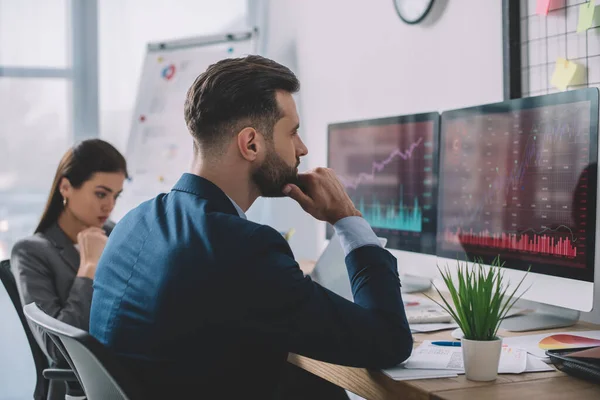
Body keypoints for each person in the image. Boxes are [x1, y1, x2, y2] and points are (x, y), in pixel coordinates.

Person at [90, 55, 412, 399]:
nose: (302, 149)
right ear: (251, 144)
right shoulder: (242, 248)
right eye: (293, 132)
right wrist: (347, 218)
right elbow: (388, 341)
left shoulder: (134, 221)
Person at [11, 139, 128, 399]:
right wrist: (89, 267)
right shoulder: (31, 252)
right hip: (80, 388)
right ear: (66, 187)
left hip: (127, 370)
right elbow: (57, 349)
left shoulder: (116, 233)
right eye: (101, 193)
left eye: (115, 195)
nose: (109, 205)